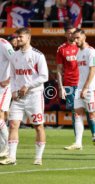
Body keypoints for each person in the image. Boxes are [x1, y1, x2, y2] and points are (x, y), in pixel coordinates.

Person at [0, 28, 48, 165]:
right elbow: (14, 75)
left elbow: (44, 76)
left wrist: (28, 86)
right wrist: (14, 90)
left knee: (38, 126)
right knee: (13, 124)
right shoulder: (14, 56)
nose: (18, 39)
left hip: (34, 95)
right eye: (18, 37)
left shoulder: (38, 55)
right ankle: (11, 157)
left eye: (21, 37)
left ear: (28, 38)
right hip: (19, 97)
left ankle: (38, 157)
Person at [56, 25, 95, 150]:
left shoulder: (82, 48)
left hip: (83, 83)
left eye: (74, 33)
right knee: (75, 112)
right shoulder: (61, 49)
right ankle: (78, 141)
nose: (72, 36)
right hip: (70, 84)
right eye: (70, 33)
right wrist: (61, 87)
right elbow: (59, 69)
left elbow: (91, 67)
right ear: (66, 34)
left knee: (90, 111)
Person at [0, 37, 14, 158]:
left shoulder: (4, 44)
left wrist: (9, 80)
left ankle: (7, 147)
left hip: (3, 87)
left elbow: (16, 61)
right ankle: (3, 146)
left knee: (0, 116)